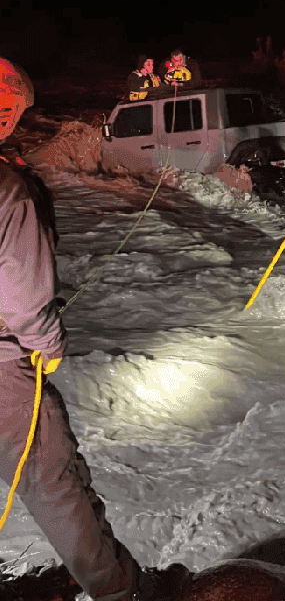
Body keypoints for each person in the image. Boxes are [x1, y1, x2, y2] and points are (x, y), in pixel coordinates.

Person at [0, 57, 191, 601]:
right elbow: (22, 294)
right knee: (53, 482)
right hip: (3, 370)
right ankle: (121, 592)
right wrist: (47, 344)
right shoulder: (7, 190)